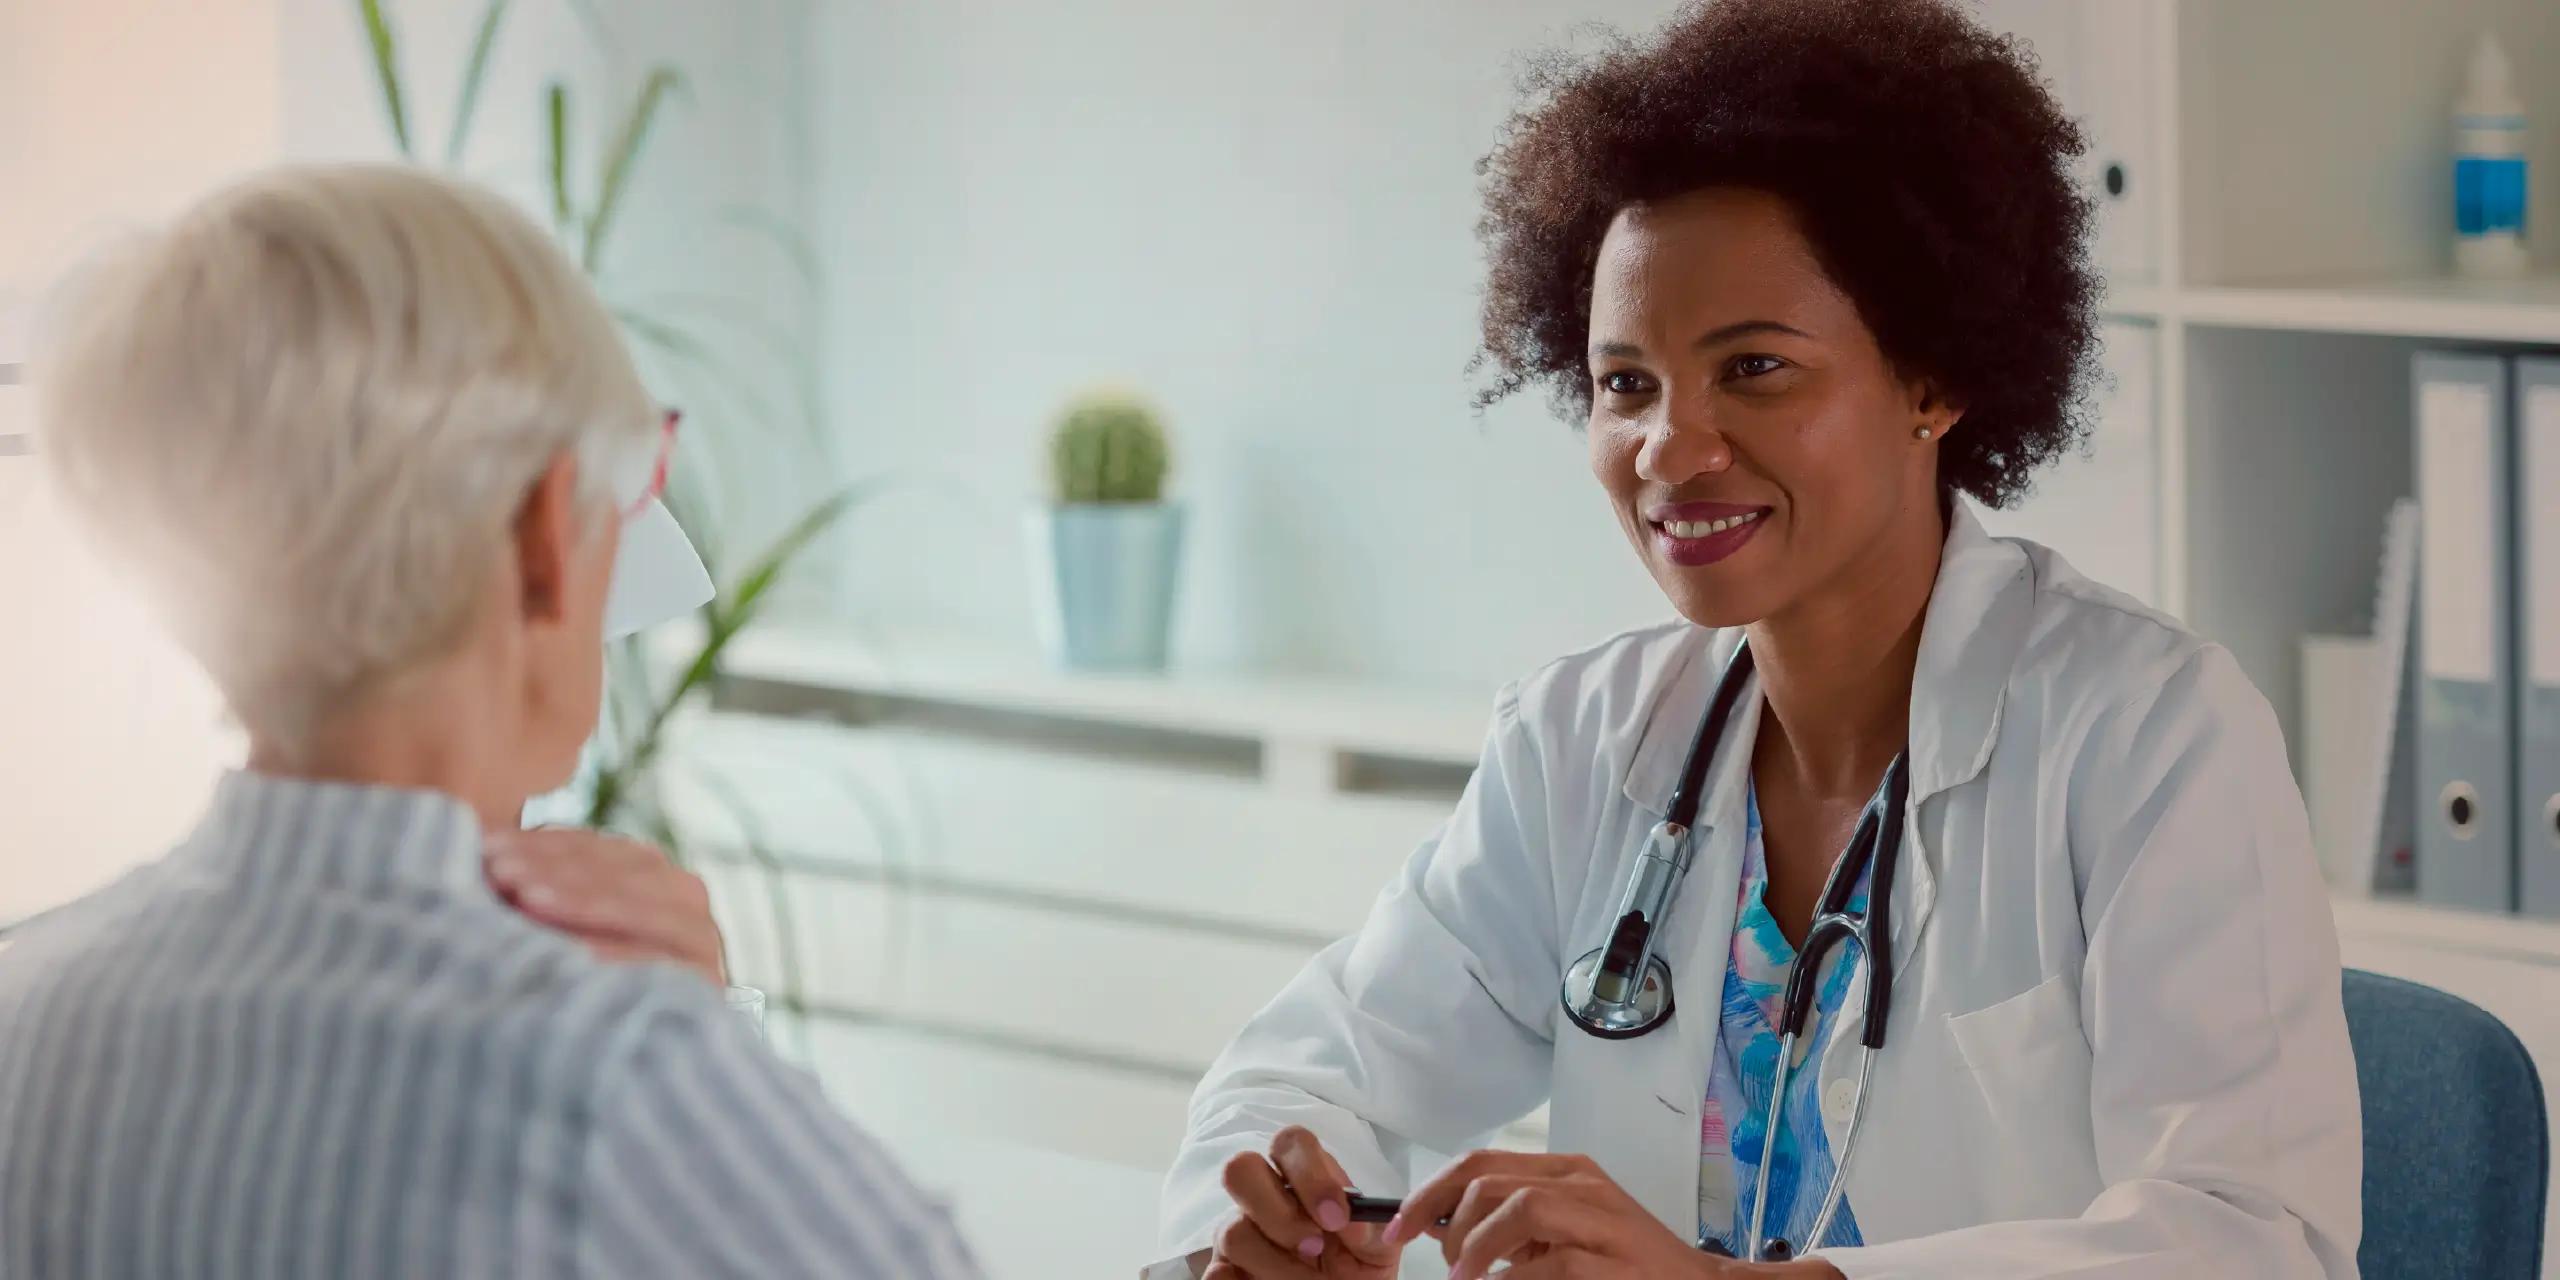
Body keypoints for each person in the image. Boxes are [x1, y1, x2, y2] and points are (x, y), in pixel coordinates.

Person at [1159, 2, 2360, 1277]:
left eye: (1754, 368)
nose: (1670, 448)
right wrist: (1274, 1218)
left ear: (1932, 379)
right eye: (1626, 383)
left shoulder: (2150, 734)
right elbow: (1315, 1057)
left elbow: (2250, 1238)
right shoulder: (1588, 741)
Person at [0, 163, 981, 1279]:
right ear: (540, 540)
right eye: (635, 479)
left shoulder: (28, 1014)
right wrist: (709, 1057)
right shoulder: (615, 1082)